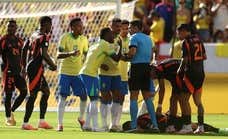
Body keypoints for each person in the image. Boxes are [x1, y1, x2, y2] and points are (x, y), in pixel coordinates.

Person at [80, 27, 121, 132]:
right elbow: (116, 58)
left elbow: (92, 58)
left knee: (92, 99)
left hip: (84, 73)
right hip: (91, 75)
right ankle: (95, 126)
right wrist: (120, 47)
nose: (113, 37)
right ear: (107, 36)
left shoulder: (95, 45)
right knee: (94, 100)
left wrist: (102, 65)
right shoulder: (105, 45)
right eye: (111, 34)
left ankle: (87, 125)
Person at [122, 20, 159, 132]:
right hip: (146, 68)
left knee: (134, 96)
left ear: (135, 28)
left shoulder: (134, 38)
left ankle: (134, 126)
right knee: (147, 97)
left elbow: (132, 52)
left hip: (136, 68)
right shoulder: (149, 39)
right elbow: (153, 53)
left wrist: (124, 56)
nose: (129, 30)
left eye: (130, 28)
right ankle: (155, 125)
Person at [21, 16, 57, 130]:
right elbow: (44, 54)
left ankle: (42, 121)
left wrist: (24, 65)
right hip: (35, 69)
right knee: (33, 95)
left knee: (46, 92)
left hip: (35, 67)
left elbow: (24, 49)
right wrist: (53, 65)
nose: (51, 28)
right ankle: (25, 123)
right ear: (46, 24)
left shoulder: (33, 34)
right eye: (50, 25)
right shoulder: (43, 37)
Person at [56, 18, 88, 131]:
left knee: (84, 96)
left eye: (82, 26)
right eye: (79, 26)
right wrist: (71, 53)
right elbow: (58, 54)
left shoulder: (84, 39)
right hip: (65, 72)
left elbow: (86, 54)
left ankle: (81, 118)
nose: (82, 28)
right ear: (73, 27)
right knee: (63, 97)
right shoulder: (65, 37)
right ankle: (60, 124)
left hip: (78, 73)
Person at [177, 23, 207, 134]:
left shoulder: (186, 42)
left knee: (184, 100)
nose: (178, 35)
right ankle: (201, 127)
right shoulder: (199, 40)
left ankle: (187, 127)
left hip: (191, 74)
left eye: (179, 32)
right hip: (200, 73)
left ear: (184, 31)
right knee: (198, 102)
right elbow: (203, 57)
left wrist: (179, 70)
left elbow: (184, 59)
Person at [0, 20, 28, 126]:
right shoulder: (3, 40)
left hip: (18, 71)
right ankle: (8, 118)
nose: (10, 28)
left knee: (24, 92)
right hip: (8, 71)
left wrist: (24, 68)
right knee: (8, 94)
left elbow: (23, 55)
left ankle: (11, 110)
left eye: (12, 26)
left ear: (16, 28)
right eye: (9, 26)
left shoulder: (20, 41)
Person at [99, 18, 122, 131]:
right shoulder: (104, 38)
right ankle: (104, 124)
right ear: (111, 26)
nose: (118, 29)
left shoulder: (120, 39)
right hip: (104, 74)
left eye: (119, 26)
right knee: (105, 98)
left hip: (116, 73)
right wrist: (100, 65)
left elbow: (121, 55)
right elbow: (94, 55)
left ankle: (114, 124)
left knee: (117, 97)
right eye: (116, 26)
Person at [122, 113, 219, 134]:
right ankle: (213, 130)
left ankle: (216, 130)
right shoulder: (141, 121)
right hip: (167, 123)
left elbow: (157, 126)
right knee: (193, 127)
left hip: (169, 121)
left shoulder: (142, 120)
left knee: (193, 126)